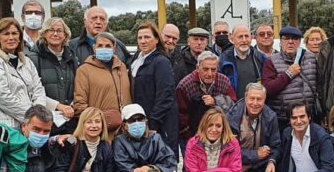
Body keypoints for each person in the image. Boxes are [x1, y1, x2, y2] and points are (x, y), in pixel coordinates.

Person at [0, 17, 70, 129]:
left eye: (14, 33)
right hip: (8, 126)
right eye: (6, 34)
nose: (11, 37)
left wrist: (38, 114)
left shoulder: (26, 61)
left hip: (33, 126)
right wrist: (32, 117)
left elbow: (38, 90)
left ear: (20, 38)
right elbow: (2, 96)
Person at [226, 83, 282, 172]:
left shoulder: (271, 116)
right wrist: (255, 155)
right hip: (235, 169)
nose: (255, 103)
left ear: (265, 100)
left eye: (259, 99)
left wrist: (271, 161)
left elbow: (276, 146)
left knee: (275, 168)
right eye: (252, 98)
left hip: (257, 167)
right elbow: (227, 150)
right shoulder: (231, 116)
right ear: (245, 98)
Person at [131, 22, 179, 154]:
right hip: (140, 123)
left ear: (157, 39)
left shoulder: (161, 61)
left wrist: (153, 123)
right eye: (140, 38)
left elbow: (165, 95)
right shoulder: (135, 59)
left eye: (147, 37)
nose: (143, 41)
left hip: (159, 125)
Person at [72, 32, 132, 134]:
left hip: (124, 131)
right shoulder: (84, 70)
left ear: (114, 48)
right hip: (99, 131)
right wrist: (97, 122)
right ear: (94, 48)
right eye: (100, 45)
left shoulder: (122, 67)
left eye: (108, 46)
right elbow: (79, 104)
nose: (104, 48)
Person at [176, 51, 237, 145]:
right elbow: (181, 116)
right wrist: (191, 139)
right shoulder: (185, 85)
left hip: (220, 136)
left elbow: (234, 106)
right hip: (192, 135)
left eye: (213, 70)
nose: (209, 73)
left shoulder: (224, 81)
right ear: (197, 68)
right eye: (205, 69)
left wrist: (216, 101)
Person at [31, 17, 78, 130]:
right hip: (45, 120)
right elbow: (32, 91)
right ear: (44, 34)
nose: (55, 34)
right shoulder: (34, 58)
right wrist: (58, 106)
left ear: (65, 35)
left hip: (71, 120)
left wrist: (72, 106)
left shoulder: (72, 58)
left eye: (59, 31)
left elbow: (79, 86)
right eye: (51, 30)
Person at [266, 26, 317, 128]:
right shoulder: (271, 61)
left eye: (294, 38)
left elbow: (320, 86)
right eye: (286, 38)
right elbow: (267, 89)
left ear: (299, 41)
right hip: (284, 120)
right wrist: (288, 74)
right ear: (280, 41)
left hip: (309, 118)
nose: (290, 42)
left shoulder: (311, 58)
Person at [218, 24, 282, 97]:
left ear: (251, 38)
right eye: (240, 37)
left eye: (246, 36)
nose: (244, 40)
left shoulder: (261, 58)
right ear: (232, 39)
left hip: (256, 104)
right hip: (232, 106)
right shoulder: (223, 59)